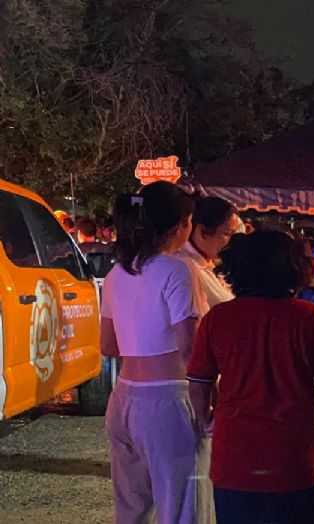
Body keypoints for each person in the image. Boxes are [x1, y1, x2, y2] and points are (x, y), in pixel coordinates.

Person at [187, 230, 314, 524]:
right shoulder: (310, 317)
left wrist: (206, 418)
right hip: (293, 456)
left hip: (234, 458)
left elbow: (198, 384)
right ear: (294, 268)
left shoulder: (217, 319)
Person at [100, 182, 211, 523]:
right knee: (182, 508)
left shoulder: (117, 273)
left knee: (132, 508)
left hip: (123, 400)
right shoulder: (178, 270)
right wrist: (209, 397)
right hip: (167, 401)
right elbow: (191, 347)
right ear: (181, 226)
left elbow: (108, 345)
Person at [174, 196, 240, 314]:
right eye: (228, 234)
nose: (234, 241)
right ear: (202, 232)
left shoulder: (212, 263)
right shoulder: (187, 267)